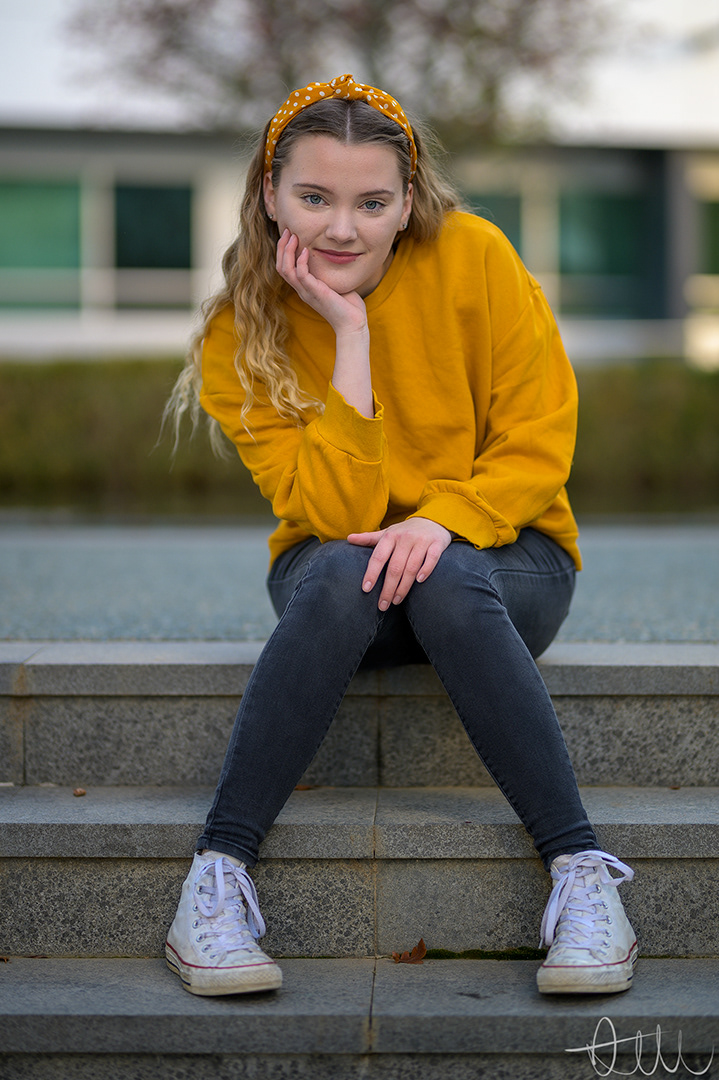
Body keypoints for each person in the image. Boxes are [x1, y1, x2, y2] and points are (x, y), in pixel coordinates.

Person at [163, 73, 637, 998]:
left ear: (407, 199)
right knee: (344, 568)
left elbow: (538, 446)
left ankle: (582, 877)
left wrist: (437, 523)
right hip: (338, 584)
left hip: (506, 562)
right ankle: (214, 881)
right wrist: (350, 336)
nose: (343, 228)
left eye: (371, 203)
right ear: (269, 195)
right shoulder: (238, 334)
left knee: (445, 575)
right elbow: (334, 516)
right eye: (315, 198)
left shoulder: (475, 256)